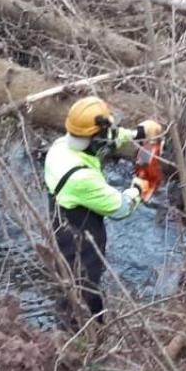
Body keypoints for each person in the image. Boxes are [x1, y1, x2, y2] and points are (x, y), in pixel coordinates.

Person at [45, 96, 163, 328]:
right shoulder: (80, 177)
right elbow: (121, 208)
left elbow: (107, 139)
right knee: (82, 288)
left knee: (79, 283)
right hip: (77, 233)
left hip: (64, 217)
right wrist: (141, 182)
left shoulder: (64, 144)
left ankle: (91, 328)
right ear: (93, 136)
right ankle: (77, 341)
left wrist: (138, 134)